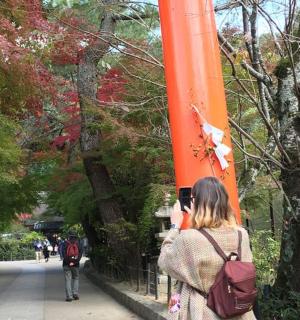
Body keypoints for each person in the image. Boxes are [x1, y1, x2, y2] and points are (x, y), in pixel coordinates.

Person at [158, 176, 256, 320]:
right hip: (238, 309)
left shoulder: (189, 238)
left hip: (203, 311)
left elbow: (164, 261)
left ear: (196, 203)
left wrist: (174, 226)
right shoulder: (242, 234)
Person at [62, 231, 83, 302]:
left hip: (66, 264)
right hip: (76, 265)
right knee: (76, 278)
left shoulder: (65, 244)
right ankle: (75, 294)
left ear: (69, 237)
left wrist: (69, 262)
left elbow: (63, 255)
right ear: (76, 237)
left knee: (68, 280)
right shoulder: (79, 244)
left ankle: (69, 297)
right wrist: (74, 262)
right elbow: (80, 256)